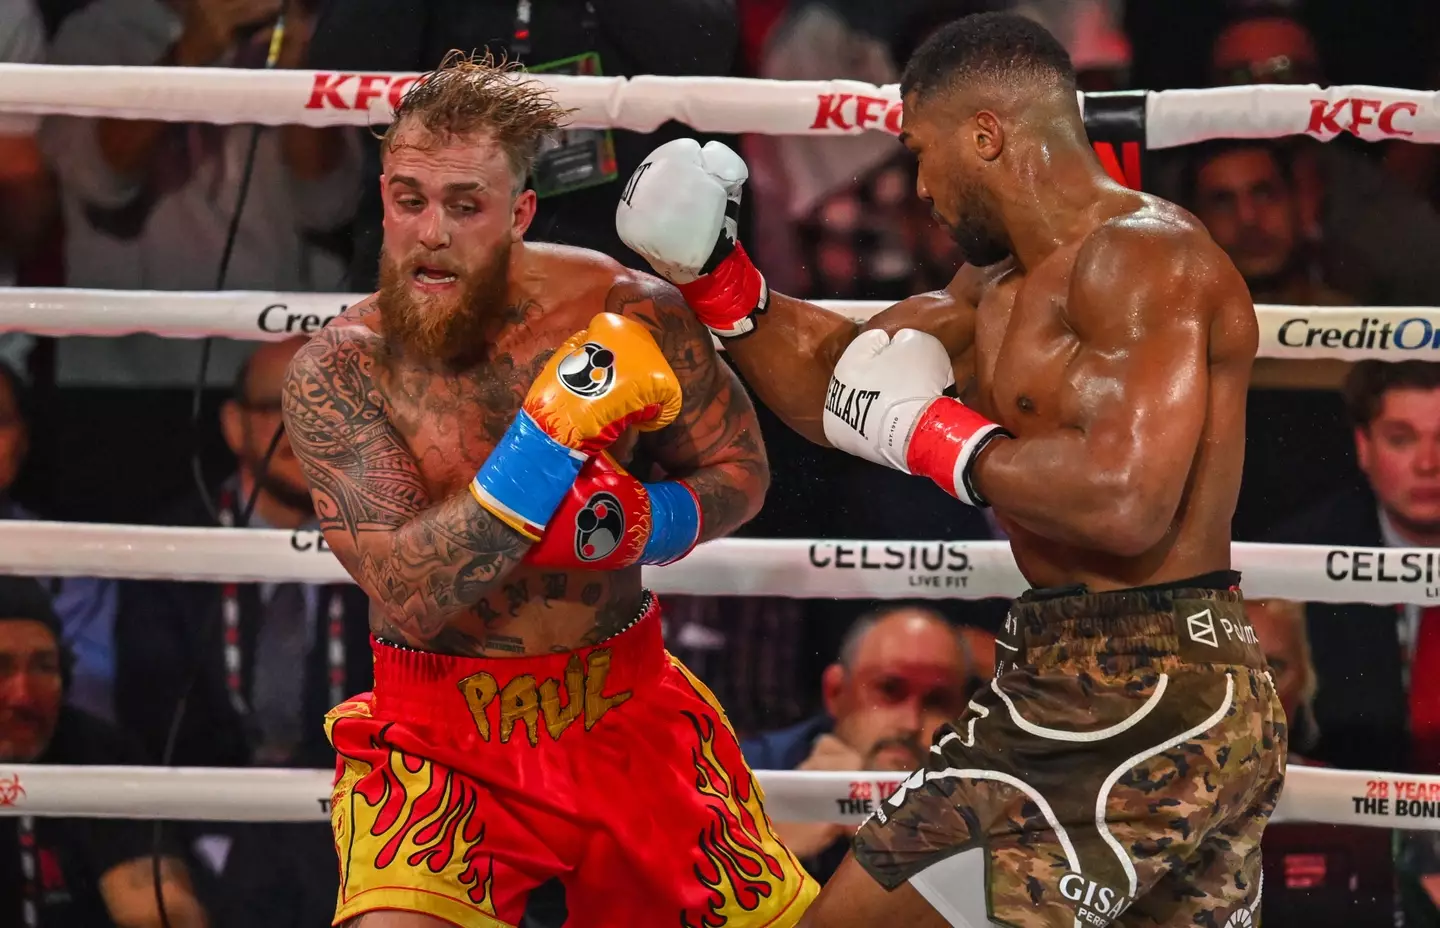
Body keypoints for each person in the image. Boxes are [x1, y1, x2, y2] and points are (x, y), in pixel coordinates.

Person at [618, 12, 1283, 927]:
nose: (920, 187)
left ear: (986, 134)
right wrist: (721, 282)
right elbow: (846, 387)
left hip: (1152, 682)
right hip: (1066, 667)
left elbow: (1125, 501)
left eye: (923, 151)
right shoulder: (994, 290)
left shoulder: (1143, 256)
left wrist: (945, 443)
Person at [280, 53, 812, 927]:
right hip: (439, 739)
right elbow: (409, 593)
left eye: (465, 206)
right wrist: (549, 440)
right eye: (408, 199)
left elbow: (744, 473)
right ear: (382, 195)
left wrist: (645, 521)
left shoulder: (626, 309)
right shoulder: (341, 370)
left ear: (520, 212)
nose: (431, 232)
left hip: (623, 708)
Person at [115, 338, 371, 769]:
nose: (308, 426)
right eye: (281, 405)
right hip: (201, 817)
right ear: (235, 425)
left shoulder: (399, 549)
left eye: (332, 405)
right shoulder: (171, 550)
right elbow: (149, 718)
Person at [0, 576, 210, 928]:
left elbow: (161, 908)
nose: (23, 695)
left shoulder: (100, 753)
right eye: (0, 668)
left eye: (43, 667)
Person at [1267, 360, 1440, 775]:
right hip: (1347, 822)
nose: (1428, 464)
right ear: (1364, 446)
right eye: (1401, 440)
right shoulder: (1290, 560)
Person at [742, 605, 989, 883]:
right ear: (836, 693)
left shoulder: (988, 794)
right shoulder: (748, 774)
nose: (910, 723)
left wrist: (889, 837)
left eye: (936, 701)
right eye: (889, 689)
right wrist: (769, 853)